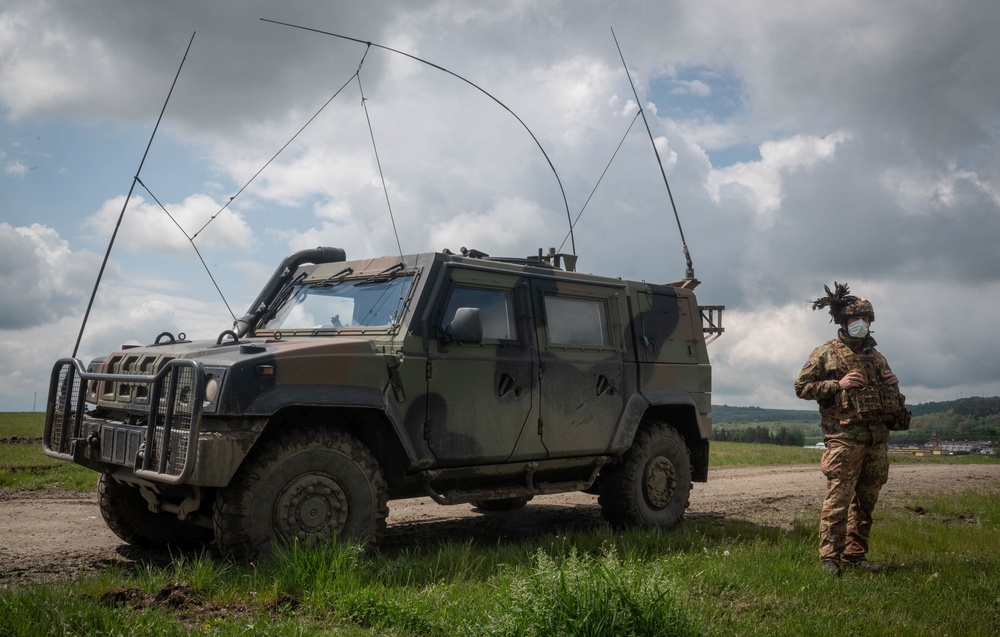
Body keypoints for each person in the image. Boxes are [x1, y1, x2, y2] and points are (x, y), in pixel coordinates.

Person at [794, 283, 909, 577]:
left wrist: (893, 388)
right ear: (844, 322)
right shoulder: (826, 353)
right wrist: (838, 385)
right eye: (858, 320)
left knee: (866, 503)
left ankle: (855, 556)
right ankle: (829, 558)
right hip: (845, 441)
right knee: (838, 501)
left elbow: (895, 406)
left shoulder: (878, 357)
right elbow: (802, 387)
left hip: (876, 442)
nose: (864, 325)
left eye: (868, 320)